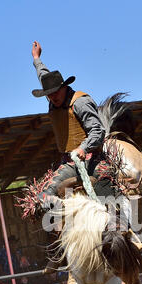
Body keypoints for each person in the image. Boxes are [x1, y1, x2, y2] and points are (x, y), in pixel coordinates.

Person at [31, 40, 106, 204]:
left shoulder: (80, 102)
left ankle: (119, 223)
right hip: (70, 163)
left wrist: (83, 148)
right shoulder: (53, 99)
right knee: (43, 199)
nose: (52, 97)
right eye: (48, 94)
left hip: (94, 158)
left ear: (64, 87)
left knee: (108, 189)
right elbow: (43, 75)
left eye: (55, 92)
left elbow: (98, 131)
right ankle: (61, 221)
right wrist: (37, 58)